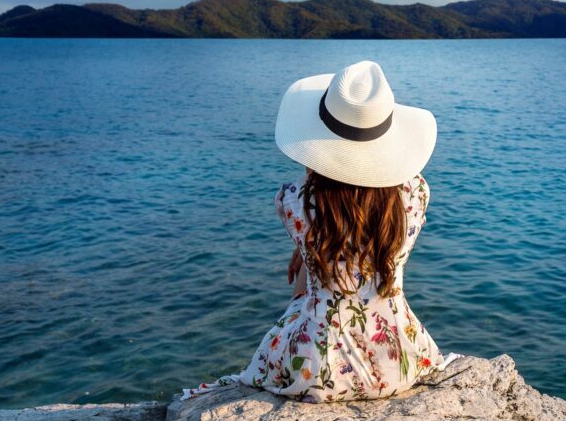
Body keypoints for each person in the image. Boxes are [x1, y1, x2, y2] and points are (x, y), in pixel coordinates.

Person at [180, 60, 457, 403]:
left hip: (316, 371)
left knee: (302, 305)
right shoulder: (416, 192)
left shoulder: (291, 201)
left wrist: (307, 250)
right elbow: (362, 234)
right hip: (399, 360)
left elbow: (325, 239)